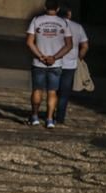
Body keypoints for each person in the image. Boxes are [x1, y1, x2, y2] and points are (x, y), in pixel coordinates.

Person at [26, 0, 74, 129]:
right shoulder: (63, 23)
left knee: (37, 90)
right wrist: (54, 57)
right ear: (57, 9)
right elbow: (69, 45)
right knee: (52, 92)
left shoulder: (36, 20)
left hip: (38, 63)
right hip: (55, 64)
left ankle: (35, 117)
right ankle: (49, 119)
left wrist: (41, 56)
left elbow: (29, 42)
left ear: (44, 7)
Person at [55, 4, 90, 125]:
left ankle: (50, 113)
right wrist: (79, 56)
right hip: (70, 64)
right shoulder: (78, 27)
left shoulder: (55, 25)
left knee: (53, 91)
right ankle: (59, 117)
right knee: (64, 93)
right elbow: (85, 46)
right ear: (69, 14)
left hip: (54, 62)